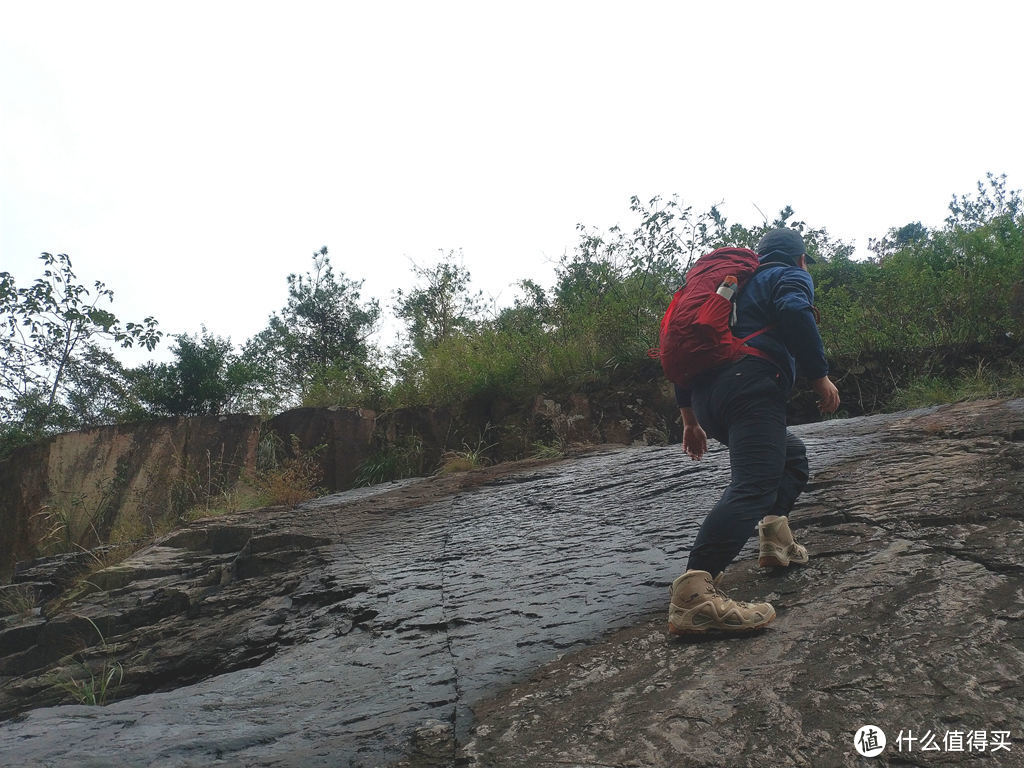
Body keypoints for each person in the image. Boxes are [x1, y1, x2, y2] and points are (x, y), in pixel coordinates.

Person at [667, 228, 840, 635]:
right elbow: (796, 314)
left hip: (711, 399)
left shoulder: (731, 285)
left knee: (790, 457)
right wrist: (820, 377)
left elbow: (689, 346)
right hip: (750, 387)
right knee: (756, 484)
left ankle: (775, 541)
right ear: (800, 258)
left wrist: (690, 420)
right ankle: (693, 596)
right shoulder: (788, 275)